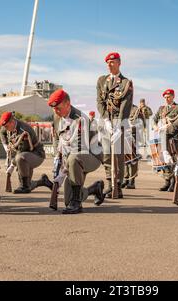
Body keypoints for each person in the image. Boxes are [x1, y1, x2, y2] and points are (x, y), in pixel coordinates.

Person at [50, 90, 104, 214]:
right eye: (53, 109)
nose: (55, 111)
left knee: (74, 158)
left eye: (58, 108)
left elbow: (79, 150)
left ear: (67, 104)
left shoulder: (81, 119)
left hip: (90, 156)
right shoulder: (57, 117)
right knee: (67, 200)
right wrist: (57, 161)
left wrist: (61, 175)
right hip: (71, 158)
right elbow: (57, 139)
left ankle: (77, 203)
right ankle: (94, 189)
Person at [96, 52, 133, 198]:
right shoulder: (101, 80)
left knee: (118, 154)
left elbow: (126, 104)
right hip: (106, 120)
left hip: (120, 120)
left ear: (119, 63)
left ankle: (118, 184)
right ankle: (110, 181)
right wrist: (105, 119)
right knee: (106, 153)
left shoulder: (126, 82)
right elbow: (99, 101)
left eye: (112, 62)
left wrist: (118, 124)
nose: (109, 65)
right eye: (108, 62)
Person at [0, 112, 52, 194]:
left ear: (12, 122)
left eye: (6, 126)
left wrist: (12, 166)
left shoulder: (23, 131)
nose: (5, 128)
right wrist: (5, 146)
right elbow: (2, 132)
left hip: (36, 154)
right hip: (25, 155)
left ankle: (24, 187)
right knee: (28, 184)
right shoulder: (7, 126)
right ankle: (43, 181)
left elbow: (21, 152)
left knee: (20, 158)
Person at [153, 89, 178, 192]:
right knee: (165, 161)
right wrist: (155, 126)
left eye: (169, 97)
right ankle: (167, 181)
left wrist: (169, 125)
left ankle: (175, 182)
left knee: (174, 160)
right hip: (163, 137)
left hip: (174, 138)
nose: (167, 99)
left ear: (173, 96)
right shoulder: (161, 109)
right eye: (165, 97)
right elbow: (154, 119)